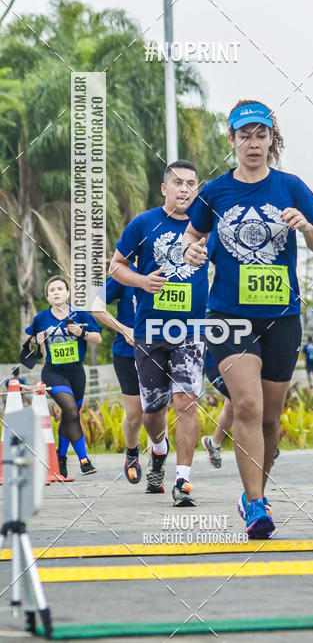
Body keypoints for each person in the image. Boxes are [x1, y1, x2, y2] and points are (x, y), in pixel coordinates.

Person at [182, 99, 313, 539]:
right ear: (231, 140)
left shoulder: (290, 186)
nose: (253, 143)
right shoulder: (215, 192)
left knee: (269, 423)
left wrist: (306, 227)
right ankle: (254, 504)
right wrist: (191, 252)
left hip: (282, 317)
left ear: (271, 140)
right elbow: (192, 236)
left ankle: (255, 496)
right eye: (244, 135)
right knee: (247, 403)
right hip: (229, 315)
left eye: (260, 135)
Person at [109, 160, 209, 507]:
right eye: (178, 182)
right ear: (165, 188)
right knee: (152, 411)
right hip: (150, 330)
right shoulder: (143, 223)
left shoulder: (207, 226)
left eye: (191, 183)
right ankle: (158, 447)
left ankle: (183, 480)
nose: (185, 189)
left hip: (191, 330)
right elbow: (116, 267)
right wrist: (142, 281)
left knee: (186, 402)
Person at [25, 275, 102, 477]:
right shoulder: (41, 318)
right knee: (71, 410)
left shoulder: (81, 314)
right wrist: (35, 339)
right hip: (53, 372)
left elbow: (98, 338)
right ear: (47, 296)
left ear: (68, 293)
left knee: (70, 415)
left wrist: (81, 333)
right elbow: (28, 340)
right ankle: (84, 460)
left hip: (77, 373)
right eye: (52, 290)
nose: (56, 292)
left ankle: (61, 456)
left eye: (60, 289)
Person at [92, 263, 142, 483]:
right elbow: (95, 307)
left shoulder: (169, 270)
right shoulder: (125, 273)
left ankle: (157, 466)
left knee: (156, 411)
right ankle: (132, 454)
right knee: (134, 414)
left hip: (160, 351)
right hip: (127, 353)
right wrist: (124, 330)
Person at [200, 349, 233, 469]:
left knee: (233, 403)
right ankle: (261, 442)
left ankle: (214, 443)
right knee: (238, 398)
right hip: (214, 360)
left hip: (243, 357)